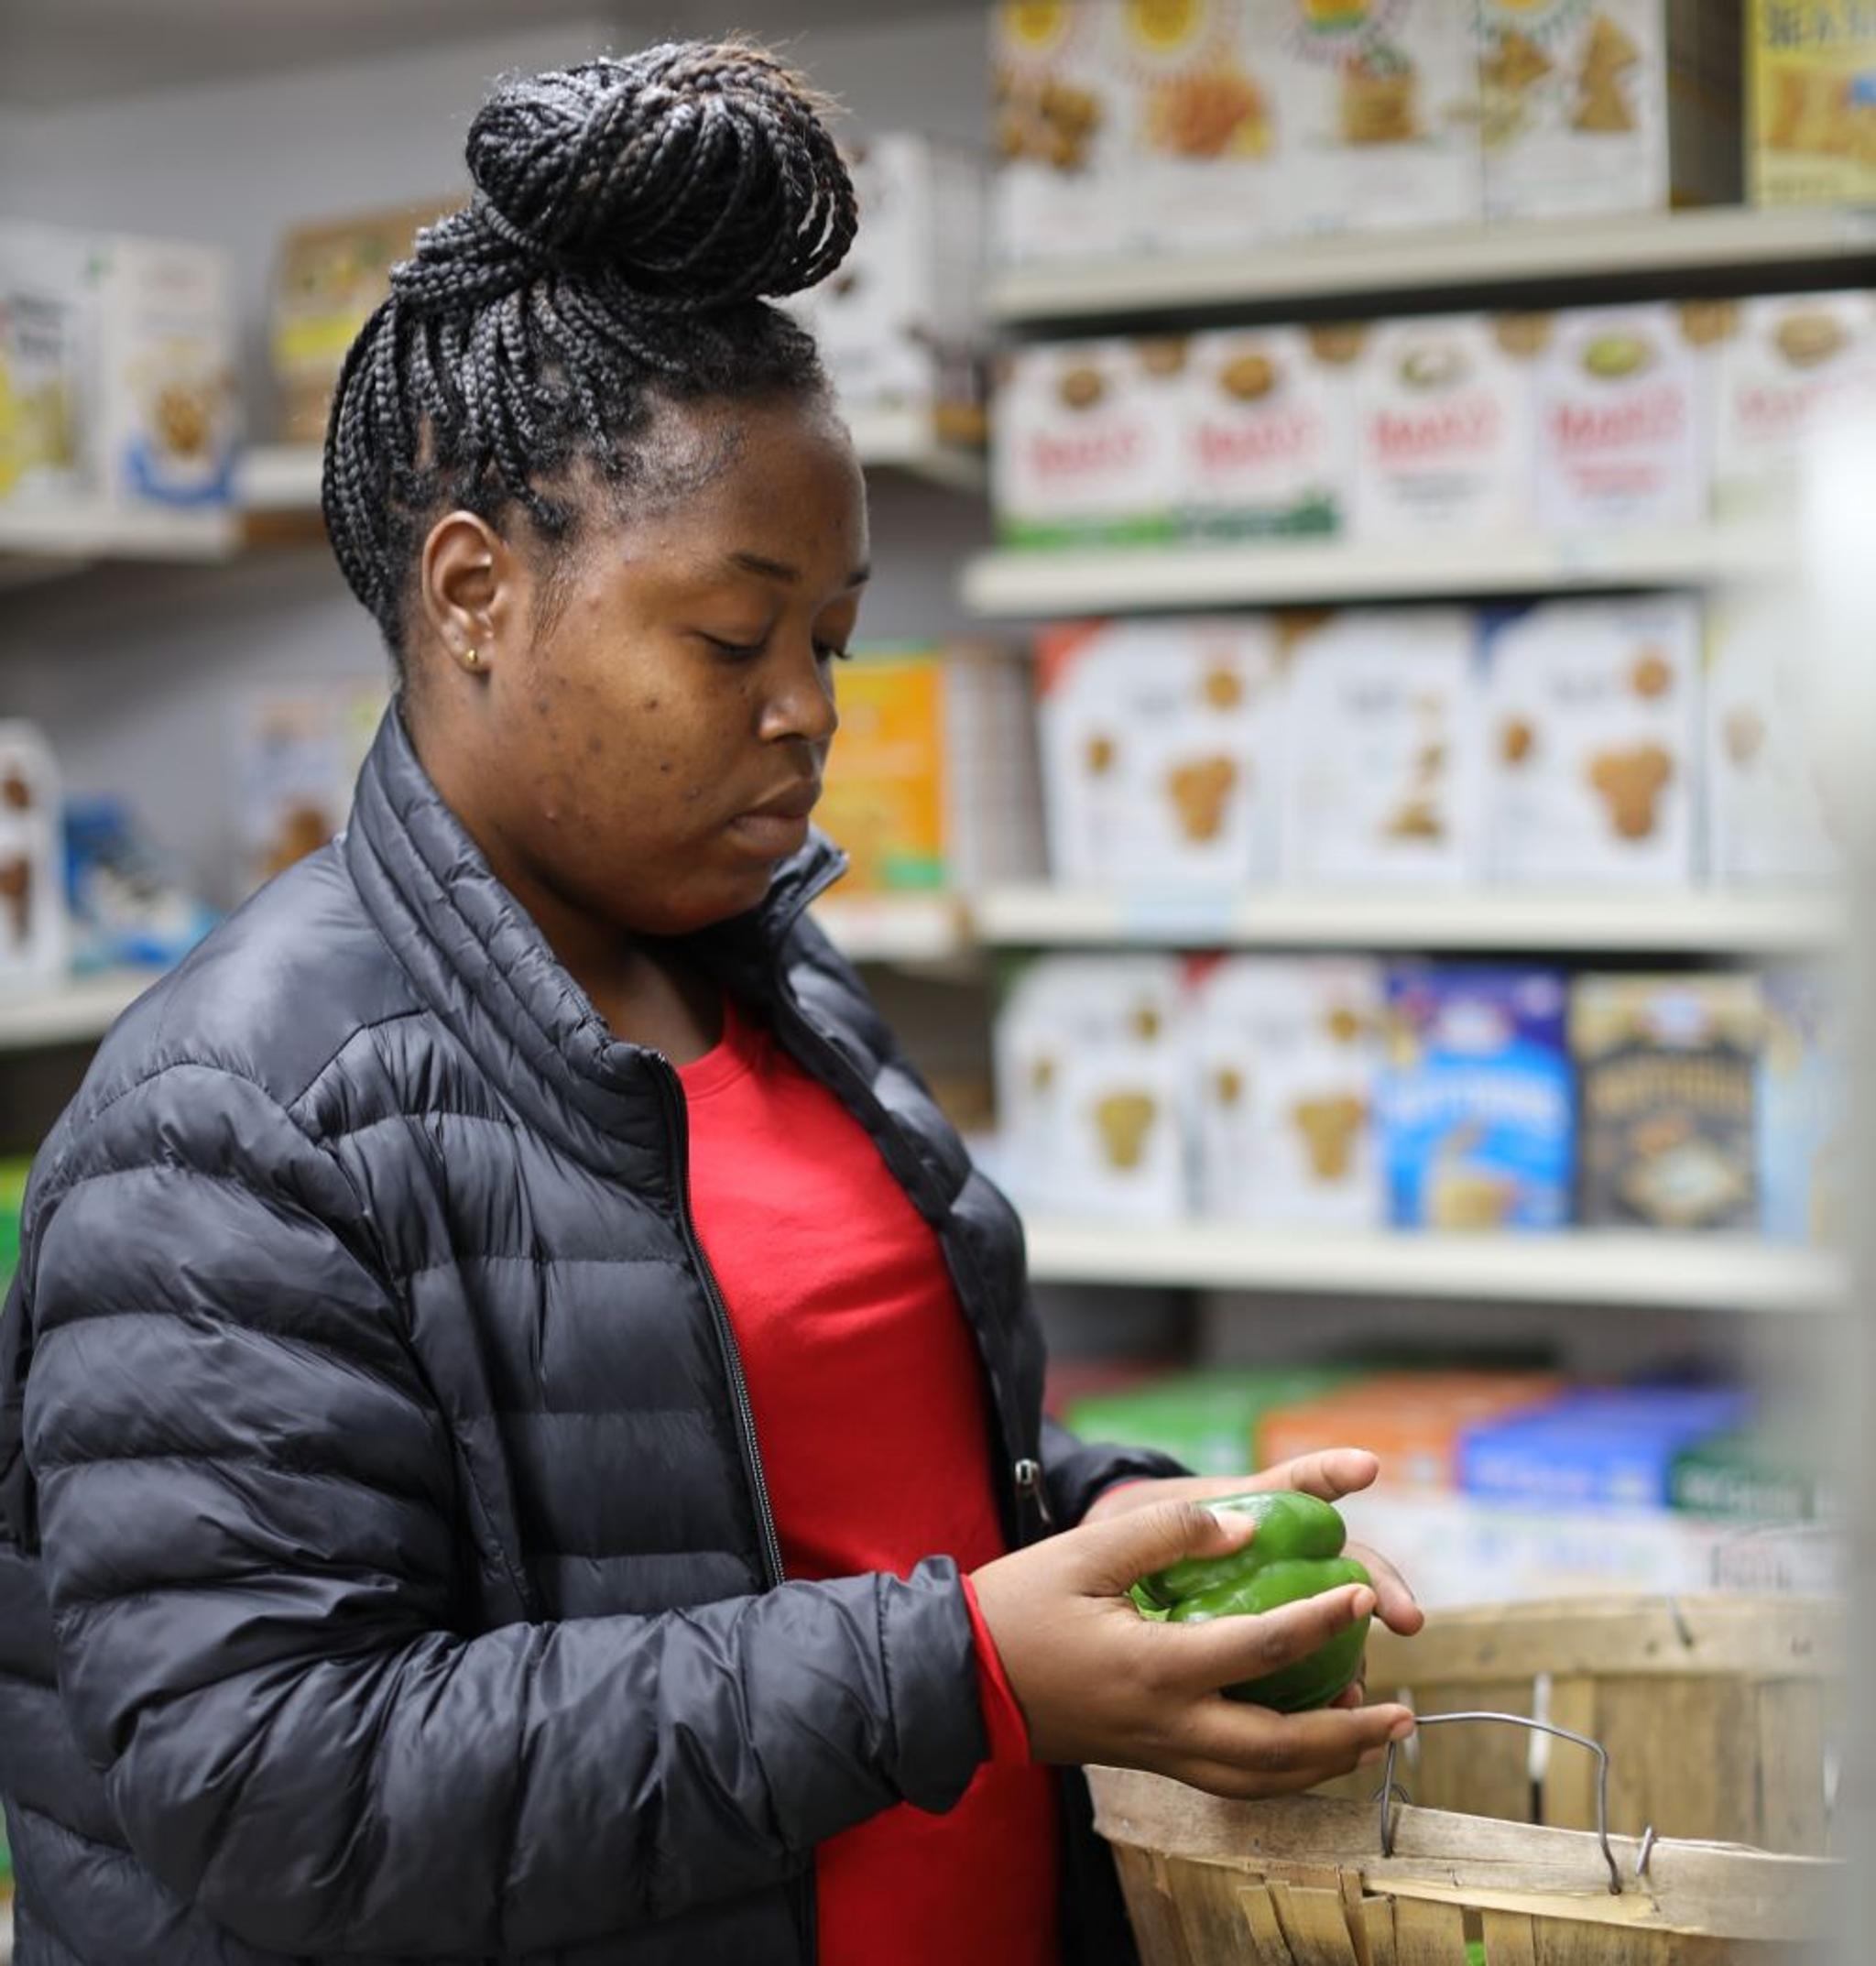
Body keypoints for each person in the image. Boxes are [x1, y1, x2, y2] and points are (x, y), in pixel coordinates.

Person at [0, 42, 1420, 1966]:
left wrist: (1147, 1541)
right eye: (732, 634)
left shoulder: (780, 985)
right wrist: (968, 1668)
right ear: (479, 588)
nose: (809, 710)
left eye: (829, 640)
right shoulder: (238, 1112)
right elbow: (273, 1779)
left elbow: (857, 1488)